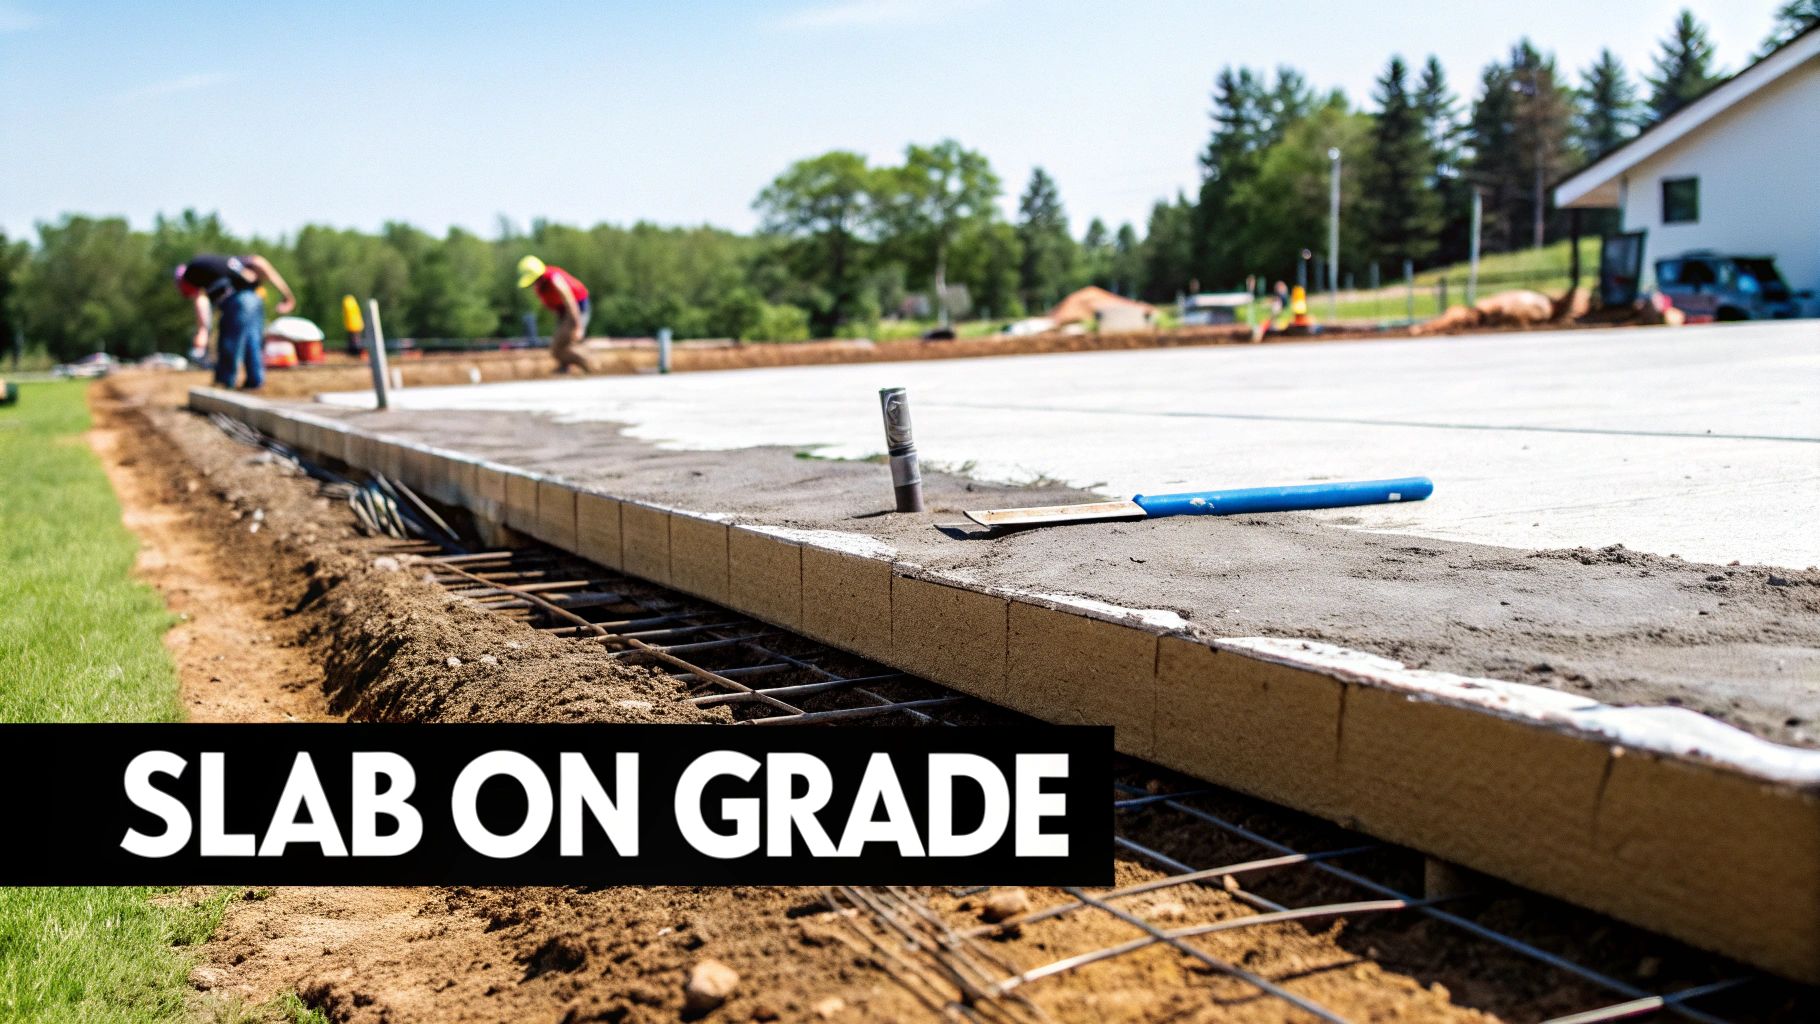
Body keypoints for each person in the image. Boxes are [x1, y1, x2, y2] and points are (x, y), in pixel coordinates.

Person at [175, 254, 295, 390]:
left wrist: (202, 331)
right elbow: (260, 263)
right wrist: (287, 294)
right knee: (252, 342)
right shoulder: (223, 264)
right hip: (255, 298)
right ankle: (254, 382)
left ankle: (224, 383)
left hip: (237, 301)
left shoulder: (192, 272)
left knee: (229, 342)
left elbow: (199, 301)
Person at [517, 255, 592, 373]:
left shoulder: (555, 280)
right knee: (559, 345)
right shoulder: (542, 285)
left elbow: (570, 302)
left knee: (558, 348)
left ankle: (590, 364)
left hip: (576, 309)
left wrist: (578, 327)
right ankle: (565, 367)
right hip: (564, 312)